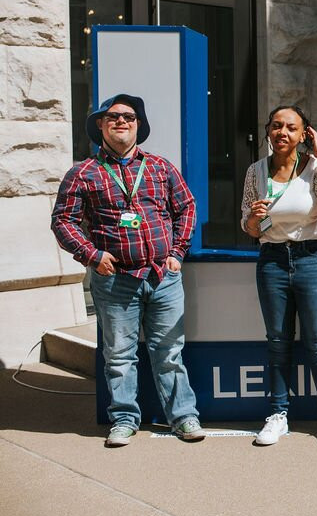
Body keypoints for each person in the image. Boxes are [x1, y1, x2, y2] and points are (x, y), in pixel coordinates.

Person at [52, 94, 205, 447]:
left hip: (163, 277)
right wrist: (91, 255)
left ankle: (183, 417)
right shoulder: (83, 173)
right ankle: (123, 419)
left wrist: (178, 252)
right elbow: (63, 221)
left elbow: (186, 207)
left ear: (139, 125)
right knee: (119, 356)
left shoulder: (160, 167)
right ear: (101, 126)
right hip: (114, 279)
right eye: (114, 116)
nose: (122, 121)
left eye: (129, 117)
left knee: (169, 353)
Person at [240, 105, 317, 446]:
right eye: (276, 126)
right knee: (278, 341)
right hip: (272, 259)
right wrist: (254, 218)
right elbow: (248, 226)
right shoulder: (255, 171)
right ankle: (278, 415)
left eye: (291, 127)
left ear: (304, 133)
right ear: (268, 130)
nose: (282, 133)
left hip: (313, 257)